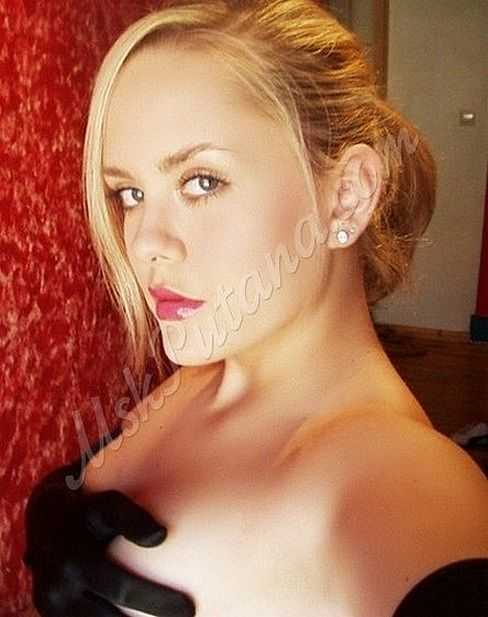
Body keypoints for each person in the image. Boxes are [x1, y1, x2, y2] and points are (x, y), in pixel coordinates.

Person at [23, 0, 488, 615]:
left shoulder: (400, 484)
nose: (145, 242)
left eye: (201, 182)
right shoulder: (196, 382)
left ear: (346, 196)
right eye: (130, 193)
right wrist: (53, 503)